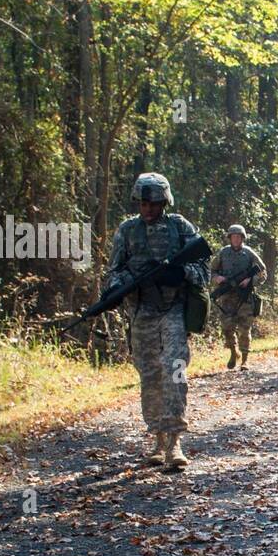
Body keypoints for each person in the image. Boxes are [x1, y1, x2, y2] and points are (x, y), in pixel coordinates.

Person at [107, 172, 209, 470]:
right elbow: (113, 270)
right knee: (149, 375)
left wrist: (179, 273)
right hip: (142, 312)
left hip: (173, 309)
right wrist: (118, 286)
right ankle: (158, 439)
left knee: (174, 369)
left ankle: (175, 441)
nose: (148, 209)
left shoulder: (180, 228)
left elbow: (204, 271)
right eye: (143, 204)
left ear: (164, 202)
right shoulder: (127, 231)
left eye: (154, 203)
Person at [211, 224, 265, 369]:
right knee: (227, 328)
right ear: (229, 238)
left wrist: (251, 280)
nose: (235, 239)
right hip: (227, 297)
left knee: (244, 329)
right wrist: (217, 278)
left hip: (245, 298)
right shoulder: (223, 253)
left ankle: (245, 360)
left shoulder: (249, 253)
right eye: (233, 237)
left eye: (238, 237)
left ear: (242, 238)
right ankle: (234, 352)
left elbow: (262, 272)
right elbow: (211, 271)